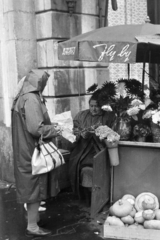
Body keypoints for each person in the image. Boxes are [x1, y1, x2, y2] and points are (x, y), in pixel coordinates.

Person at [11, 69, 61, 237]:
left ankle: (34, 220)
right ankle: (32, 227)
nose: (45, 86)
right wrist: (56, 128)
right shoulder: (31, 99)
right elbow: (35, 128)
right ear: (38, 82)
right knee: (34, 188)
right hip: (32, 151)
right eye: (44, 82)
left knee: (30, 187)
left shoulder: (22, 97)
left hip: (24, 149)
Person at [69, 95, 115, 205]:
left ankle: (99, 196)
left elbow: (113, 135)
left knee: (100, 164)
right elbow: (74, 133)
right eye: (91, 106)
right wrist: (81, 134)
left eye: (97, 106)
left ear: (102, 107)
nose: (93, 109)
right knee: (83, 167)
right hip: (83, 150)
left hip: (101, 149)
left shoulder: (109, 117)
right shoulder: (81, 115)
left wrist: (103, 134)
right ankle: (87, 197)